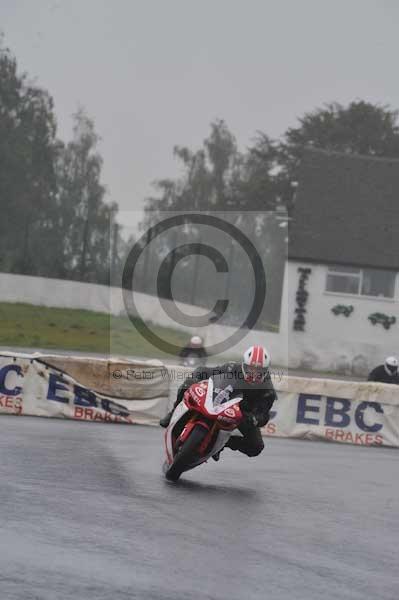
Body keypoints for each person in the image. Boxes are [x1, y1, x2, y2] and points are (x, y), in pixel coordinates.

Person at [160, 345, 277, 458]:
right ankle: (173, 412)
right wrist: (195, 377)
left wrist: (254, 419)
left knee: (256, 447)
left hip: (244, 412)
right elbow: (204, 371)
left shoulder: (268, 390)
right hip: (222, 399)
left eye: (259, 370)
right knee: (187, 385)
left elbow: (264, 415)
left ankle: (222, 443)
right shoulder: (232, 368)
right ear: (244, 365)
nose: (254, 374)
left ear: (266, 371)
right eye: (251, 368)